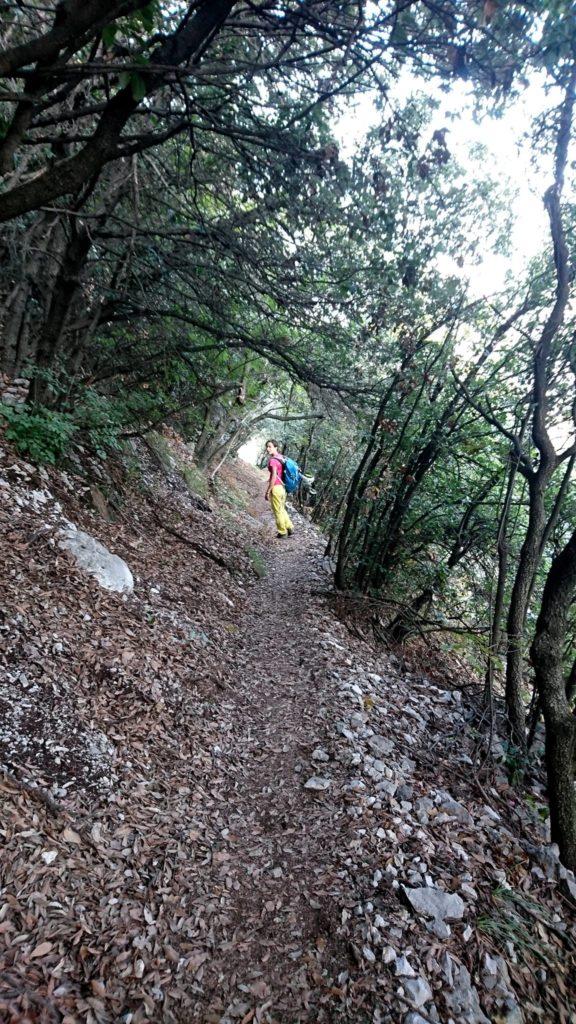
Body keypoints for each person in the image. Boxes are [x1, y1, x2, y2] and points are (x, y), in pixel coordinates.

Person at [265, 439, 294, 538]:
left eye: (270, 446)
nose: (268, 448)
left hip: (276, 488)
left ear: (275, 447)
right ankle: (289, 527)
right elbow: (279, 474)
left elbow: (274, 476)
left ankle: (282, 532)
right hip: (283, 488)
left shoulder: (273, 460)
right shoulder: (281, 457)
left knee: (277, 510)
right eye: (267, 446)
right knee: (281, 509)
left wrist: (268, 491)